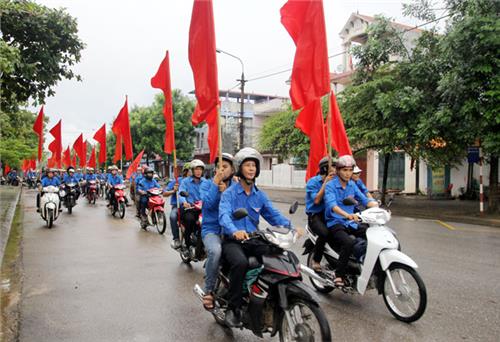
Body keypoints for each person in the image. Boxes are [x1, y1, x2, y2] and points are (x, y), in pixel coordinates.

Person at [219, 147, 300, 327]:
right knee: (240, 263)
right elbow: (224, 216)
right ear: (240, 169)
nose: (251, 169)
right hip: (234, 240)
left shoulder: (259, 195)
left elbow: (273, 215)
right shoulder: (229, 194)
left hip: (253, 238)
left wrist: (292, 228)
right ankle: (234, 308)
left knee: (279, 254)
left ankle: (268, 294)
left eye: (254, 166)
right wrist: (234, 230)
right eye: (247, 165)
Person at [324, 155, 378, 287]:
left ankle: (363, 263)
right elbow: (332, 205)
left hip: (351, 222)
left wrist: (377, 206)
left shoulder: (352, 185)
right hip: (335, 221)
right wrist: (346, 215)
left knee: (371, 234)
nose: (348, 174)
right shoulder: (330, 186)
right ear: (338, 171)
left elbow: (364, 200)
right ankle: (339, 275)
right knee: (348, 242)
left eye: (350, 170)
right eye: (345, 170)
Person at [200, 153, 234, 310]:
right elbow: (207, 205)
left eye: (225, 167)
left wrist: (226, 192)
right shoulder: (207, 184)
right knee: (215, 250)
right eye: (219, 167)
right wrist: (215, 185)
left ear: (233, 170)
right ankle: (209, 290)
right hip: (211, 229)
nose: (221, 170)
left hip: (230, 230)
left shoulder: (236, 186)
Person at [305, 156, 336, 272]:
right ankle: (316, 260)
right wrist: (326, 184)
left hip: (330, 213)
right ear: (324, 169)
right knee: (324, 234)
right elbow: (317, 200)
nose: (335, 170)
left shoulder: (336, 182)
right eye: (333, 167)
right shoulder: (312, 182)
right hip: (315, 215)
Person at [178, 159, 206, 248]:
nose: (198, 171)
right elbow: (181, 193)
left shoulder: (205, 182)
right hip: (190, 208)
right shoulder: (185, 181)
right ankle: (187, 244)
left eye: (200, 169)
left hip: (203, 209)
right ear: (192, 170)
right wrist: (185, 202)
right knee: (189, 220)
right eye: (196, 169)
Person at [164, 163, 190, 249]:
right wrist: (173, 190)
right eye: (191, 170)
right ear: (186, 171)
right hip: (178, 206)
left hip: (192, 207)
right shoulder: (177, 181)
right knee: (173, 217)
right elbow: (164, 193)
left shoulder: (199, 181)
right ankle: (176, 239)